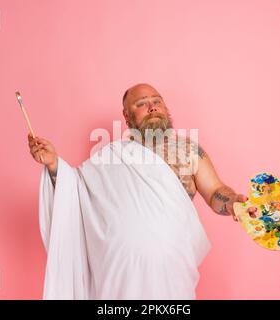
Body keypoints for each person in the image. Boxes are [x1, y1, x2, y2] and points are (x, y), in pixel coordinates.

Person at [28, 83, 255, 299]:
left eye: (157, 101)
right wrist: (54, 164)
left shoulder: (189, 151)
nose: (153, 106)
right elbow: (74, 192)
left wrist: (234, 201)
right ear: (126, 116)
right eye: (142, 103)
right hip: (116, 276)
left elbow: (215, 191)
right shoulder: (109, 157)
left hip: (172, 270)